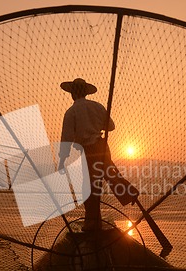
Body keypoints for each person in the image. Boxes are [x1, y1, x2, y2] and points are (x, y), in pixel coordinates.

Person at [58, 78, 139, 231]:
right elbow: (111, 126)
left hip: (89, 152)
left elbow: (66, 138)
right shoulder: (97, 106)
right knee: (110, 175)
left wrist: (62, 160)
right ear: (85, 93)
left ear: (73, 94)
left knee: (89, 187)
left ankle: (92, 223)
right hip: (102, 147)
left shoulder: (71, 112)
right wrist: (96, 125)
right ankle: (130, 193)